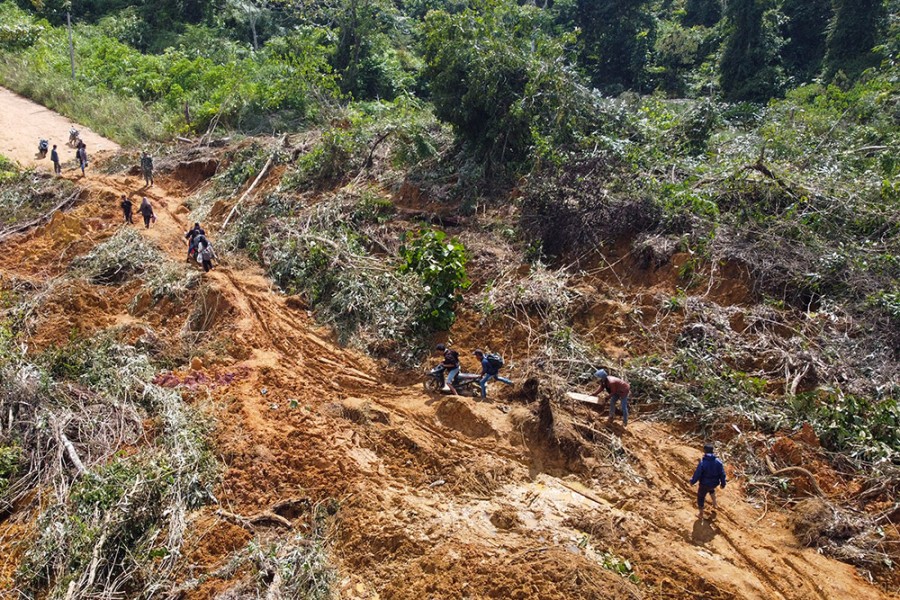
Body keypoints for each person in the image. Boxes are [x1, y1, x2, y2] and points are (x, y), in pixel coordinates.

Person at [690, 443, 727, 520]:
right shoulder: (718, 462)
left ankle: (701, 514)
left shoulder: (703, 462)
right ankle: (714, 503)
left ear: (705, 451)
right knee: (711, 489)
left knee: (701, 497)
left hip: (704, 484)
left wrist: (692, 481)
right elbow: (722, 474)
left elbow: (698, 473)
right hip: (714, 483)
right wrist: (723, 484)